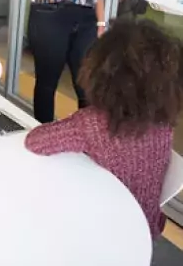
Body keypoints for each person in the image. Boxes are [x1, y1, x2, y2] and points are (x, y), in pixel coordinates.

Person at [25, 20, 182, 238]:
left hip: (101, 233)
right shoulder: (163, 124)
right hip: (145, 230)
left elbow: (35, 141)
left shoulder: (91, 123)